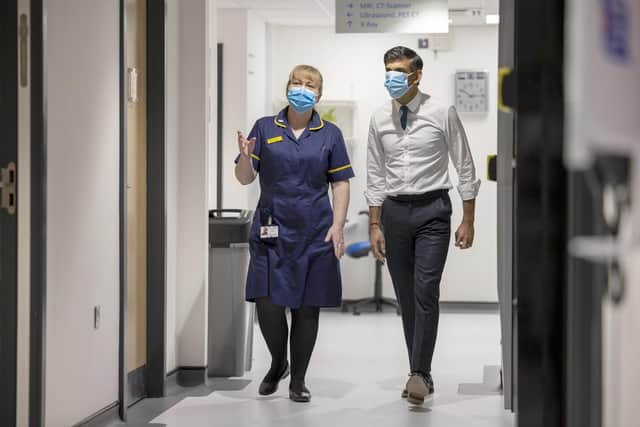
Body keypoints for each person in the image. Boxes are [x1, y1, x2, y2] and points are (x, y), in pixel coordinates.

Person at [366, 46, 481, 406]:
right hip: (394, 213)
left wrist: (469, 218)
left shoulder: (440, 111)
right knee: (406, 297)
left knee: (425, 289)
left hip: (433, 211)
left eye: (398, 70)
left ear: (417, 75)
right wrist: (374, 223)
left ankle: (419, 373)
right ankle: (421, 371)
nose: (391, 77)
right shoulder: (379, 118)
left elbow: (464, 164)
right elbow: (374, 173)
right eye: (387, 70)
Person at [234, 64, 354, 403]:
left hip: (316, 230)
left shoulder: (329, 133)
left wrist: (338, 224)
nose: (302, 88)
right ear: (287, 86)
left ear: (319, 93)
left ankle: (298, 379)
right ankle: (277, 362)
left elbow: (341, 181)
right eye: (297, 82)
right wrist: (244, 159)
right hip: (272, 230)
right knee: (267, 303)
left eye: (310, 84)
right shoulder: (265, 127)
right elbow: (245, 178)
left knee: (307, 308)